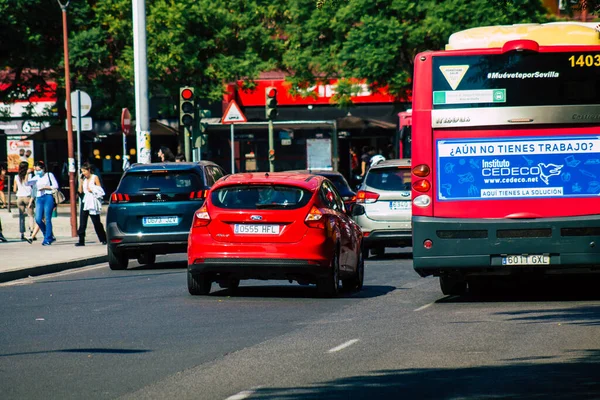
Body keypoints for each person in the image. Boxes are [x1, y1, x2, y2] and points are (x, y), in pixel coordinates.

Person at [76, 162, 107, 246]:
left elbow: (100, 189)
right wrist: (81, 182)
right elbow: (80, 192)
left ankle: (103, 238)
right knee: (82, 222)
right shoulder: (84, 180)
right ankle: (81, 240)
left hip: (92, 201)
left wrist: (93, 190)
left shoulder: (94, 177)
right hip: (85, 201)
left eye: (84, 171)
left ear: (89, 170)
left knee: (96, 222)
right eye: (82, 172)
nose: (83, 173)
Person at [30, 161, 58, 246]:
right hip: (39, 198)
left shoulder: (49, 175)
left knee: (47, 218)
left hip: (47, 196)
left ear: (43, 169)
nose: (38, 171)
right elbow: (28, 184)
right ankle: (47, 234)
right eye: (36, 170)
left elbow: (56, 186)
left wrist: (46, 187)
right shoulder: (36, 177)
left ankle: (47, 239)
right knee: (38, 219)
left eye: (39, 169)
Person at [13, 161, 34, 243]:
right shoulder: (30, 175)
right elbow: (30, 184)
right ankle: (31, 232)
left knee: (21, 216)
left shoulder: (16, 176)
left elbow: (14, 189)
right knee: (30, 215)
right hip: (28, 196)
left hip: (19, 197)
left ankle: (22, 233)